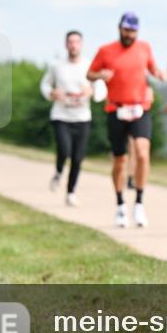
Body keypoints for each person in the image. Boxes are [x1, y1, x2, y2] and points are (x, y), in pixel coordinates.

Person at [87, 12, 165, 228]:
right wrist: (100, 75)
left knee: (142, 152)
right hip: (116, 109)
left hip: (140, 108)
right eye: (126, 29)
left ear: (137, 31)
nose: (129, 34)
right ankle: (120, 205)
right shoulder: (106, 50)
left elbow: (152, 68)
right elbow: (90, 74)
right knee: (120, 160)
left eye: (133, 30)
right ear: (119, 28)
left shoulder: (144, 48)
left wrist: (159, 74)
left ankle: (139, 203)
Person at [41, 30, 101, 206]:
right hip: (61, 115)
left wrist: (93, 91)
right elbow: (45, 84)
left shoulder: (89, 66)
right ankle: (59, 172)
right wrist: (51, 93)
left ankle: (71, 192)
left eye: (76, 42)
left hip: (82, 117)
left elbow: (100, 86)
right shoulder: (56, 66)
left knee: (78, 157)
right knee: (65, 149)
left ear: (81, 45)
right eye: (70, 42)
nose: (73, 45)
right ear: (66, 45)